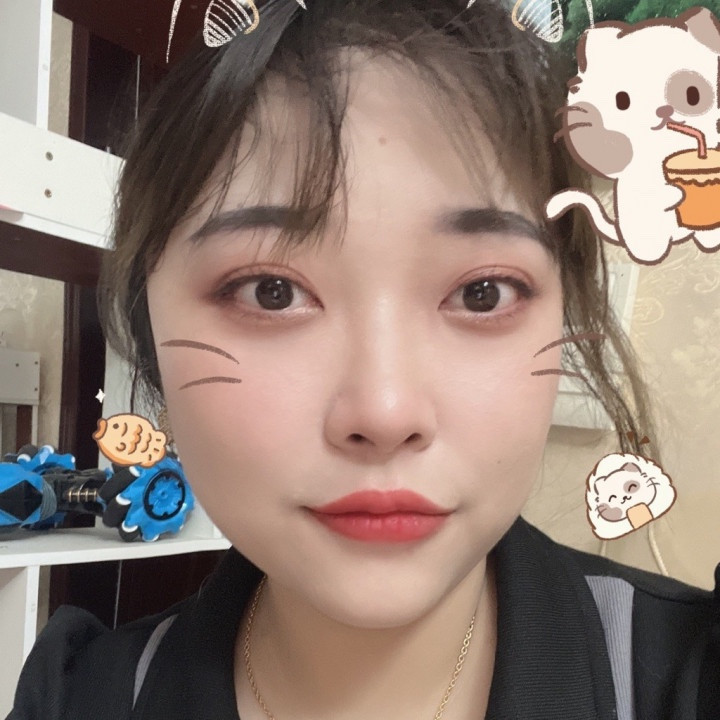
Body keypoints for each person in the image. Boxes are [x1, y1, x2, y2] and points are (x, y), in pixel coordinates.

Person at [7, 1, 719, 718]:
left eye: (482, 293)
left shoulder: (682, 675)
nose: (384, 413)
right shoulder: (78, 699)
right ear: (147, 328)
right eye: (271, 291)